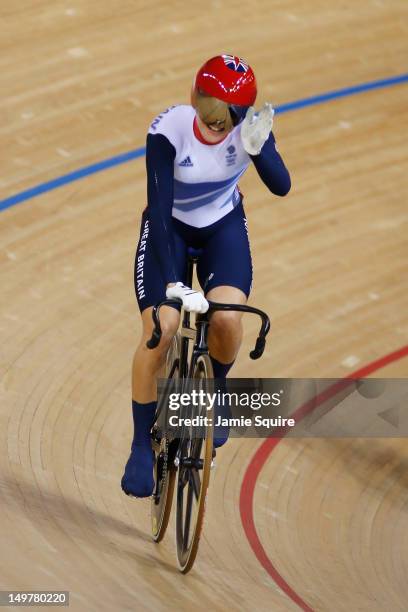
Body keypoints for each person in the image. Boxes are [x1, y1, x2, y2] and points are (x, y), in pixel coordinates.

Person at [121, 54, 291, 497]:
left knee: (228, 318)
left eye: (226, 118)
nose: (217, 126)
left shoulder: (249, 127)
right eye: (208, 113)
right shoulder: (168, 131)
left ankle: (213, 392)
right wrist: (173, 285)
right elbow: (158, 211)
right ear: (192, 97)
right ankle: (141, 445)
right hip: (170, 230)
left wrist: (259, 147)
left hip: (222, 229)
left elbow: (282, 185)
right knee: (163, 328)